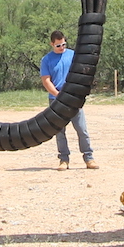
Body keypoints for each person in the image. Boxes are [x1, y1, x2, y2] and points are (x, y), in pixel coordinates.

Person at [41, 28, 96, 170]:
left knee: (82, 129)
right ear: (51, 44)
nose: (61, 48)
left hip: (74, 99)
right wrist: (58, 95)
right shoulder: (46, 60)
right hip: (56, 100)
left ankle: (89, 158)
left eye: (63, 44)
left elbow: (82, 73)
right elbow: (46, 80)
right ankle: (63, 160)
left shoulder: (73, 55)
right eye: (58, 45)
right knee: (59, 132)